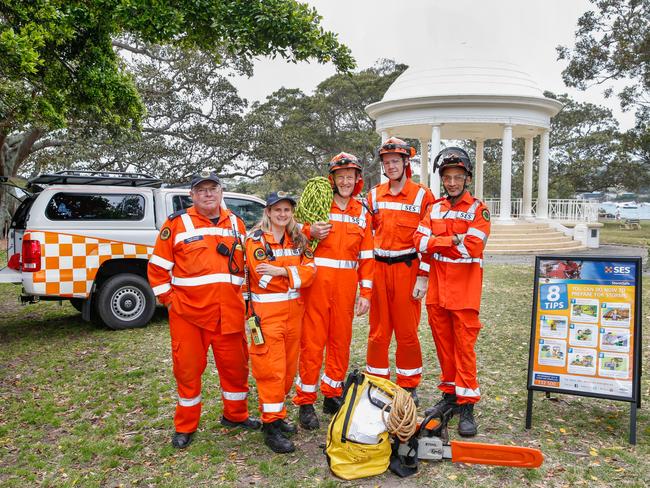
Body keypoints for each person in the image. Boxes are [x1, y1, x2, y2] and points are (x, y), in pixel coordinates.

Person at [148, 171, 260, 450]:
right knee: (187, 371)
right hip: (189, 315)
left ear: (221, 192)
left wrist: (247, 303)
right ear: (192, 195)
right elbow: (157, 269)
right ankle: (185, 426)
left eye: (213, 189)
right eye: (201, 190)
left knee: (236, 368)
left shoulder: (236, 223)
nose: (208, 194)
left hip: (229, 312)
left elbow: (246, 268)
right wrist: (170, 301)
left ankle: (236, 415)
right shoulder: (176, 224)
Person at [292, 152, 374, 430]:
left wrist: (366, 293)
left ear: (357, 180)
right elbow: (294, 234)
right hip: (317, 283)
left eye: (350, 176)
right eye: (341, 177)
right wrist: (309, 231)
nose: (346, 181)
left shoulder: (362, 213)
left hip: (346, 285)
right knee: (312, 342)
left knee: (340, 340)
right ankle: (305, 401)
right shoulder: (318, 206)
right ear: (333, 179)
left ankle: (331, 393)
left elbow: (367, 255)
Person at [413, 147, 491, 437]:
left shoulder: (478, 209)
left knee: (464, 349)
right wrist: (452, 238)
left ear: (467, 178)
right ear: (442, 179)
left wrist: (437, 240)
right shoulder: (434, 208)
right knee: (444, 348)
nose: (453, 182)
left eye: (458, 177)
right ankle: (450, 396)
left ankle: (467, 403)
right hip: (437, 292)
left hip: (464, 293)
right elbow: (419, 242)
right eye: (448, 177)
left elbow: (473, 246)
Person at [366, 137, 435, 404]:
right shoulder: (374, 195)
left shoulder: (422, 195)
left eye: (395, 161)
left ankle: (408, 384)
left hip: (408, 270)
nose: (391, 166)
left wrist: (424, 275)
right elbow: (364, 235)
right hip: (379, 270)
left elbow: (429, 239)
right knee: (378, 331)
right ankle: (378, 382)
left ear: (406, 162)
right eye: (386, 162)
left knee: (407, 332)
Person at [245, 192, 316, 453]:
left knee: (287, 369)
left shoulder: (298, 239)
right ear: (268, 211)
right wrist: (291, 272)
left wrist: (282, 270)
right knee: (271, 370)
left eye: (287, 210)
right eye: (278, 210)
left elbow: (311, 272)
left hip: (294, 313)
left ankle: (278, 412)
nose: (283, 214)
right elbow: (262, 276)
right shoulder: (256, 239)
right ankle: (271, 425)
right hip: (267, 314)